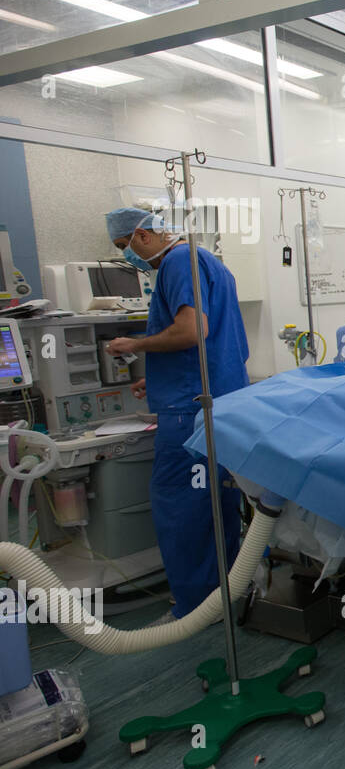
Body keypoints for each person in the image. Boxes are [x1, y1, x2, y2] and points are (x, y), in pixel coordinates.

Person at [104, 207, 249, 620]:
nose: (127, 255)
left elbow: (191, 331)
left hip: (189, 412)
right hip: (214, 398)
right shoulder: (208, 262)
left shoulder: (175, 263)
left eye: (124, 245)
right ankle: (226, 592)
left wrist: (135, 346)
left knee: (180, 509)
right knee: (215, 506)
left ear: (143, 235)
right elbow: (214, 342)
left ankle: (194, 605)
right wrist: (160, 376)